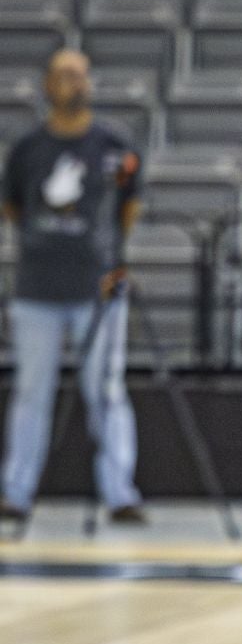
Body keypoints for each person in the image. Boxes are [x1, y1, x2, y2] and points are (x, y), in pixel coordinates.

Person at [0, 50, 145, 525]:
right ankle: (16, 493)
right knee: (31, 393)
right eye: (63, 75)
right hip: (36, 290)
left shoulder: (113, 145)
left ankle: (119, 493)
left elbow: (130, 202)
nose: (73, 83)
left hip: (97, 290)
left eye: (80, 75)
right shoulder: (27, 150)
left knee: (106, 390)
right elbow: (14, 207)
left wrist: (111, 253)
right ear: (47, 84)